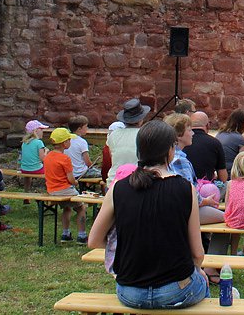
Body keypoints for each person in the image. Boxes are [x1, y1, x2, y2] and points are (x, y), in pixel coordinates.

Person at [89, 120, 209, 310]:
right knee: (202, 281)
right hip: (176, 289)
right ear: (170, 150)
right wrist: (198, 270)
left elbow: (94, 240)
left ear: (140, 150)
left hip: (130, 290)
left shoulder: (118, 188)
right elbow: (197, 252)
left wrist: (127, 245)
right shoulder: (185, 188)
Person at [164, 113, 225, 225]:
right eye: (189, 130)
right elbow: (188, 193)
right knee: (227, 218)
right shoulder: (180, 161)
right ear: (179, 136)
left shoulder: (170, 156)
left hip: (176, 207)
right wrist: (206, 201)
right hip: (184, 210)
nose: (192, 133)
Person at [45, 127, 88, 243]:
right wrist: (75, 182)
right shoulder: (65, 158)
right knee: (81, 208)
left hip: (51, 190)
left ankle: (66, 234)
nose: (70, 142)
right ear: (64, 143)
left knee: (67, 208)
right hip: (64, 190)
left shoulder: (48, 156)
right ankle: (82, 235)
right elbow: (70, 179)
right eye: (69, 140)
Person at [108, 99, 150, 184]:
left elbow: (111, 154)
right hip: (136, 181)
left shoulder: (114, 134)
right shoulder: (145, 135)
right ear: (140, 119)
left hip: (114, 180)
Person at [183, 111, 228, 185]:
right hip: (206, 187)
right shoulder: (215, 143)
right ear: (207, 125)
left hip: (185, 186)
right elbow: (223, 177)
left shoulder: (182, 141)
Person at [66, 115, 101, 180]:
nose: (87, 128)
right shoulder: (82, 142)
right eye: (86, 127)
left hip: (68, 173)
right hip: (81, 173)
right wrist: (92, 166)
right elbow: (87, 162)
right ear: (79, 129)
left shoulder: (65, 140)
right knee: (102, 173)